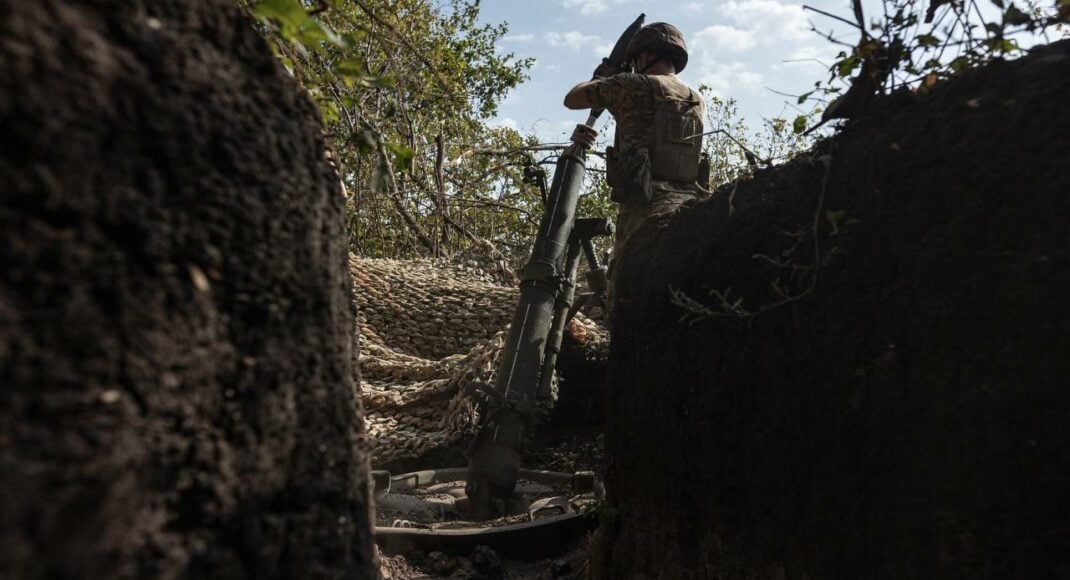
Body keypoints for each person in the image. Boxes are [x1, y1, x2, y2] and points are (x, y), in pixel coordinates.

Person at [563, 22, 706, 261]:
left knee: (625, 288)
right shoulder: (697, 98)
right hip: (690, 205)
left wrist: (603, 75)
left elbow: (572, 99)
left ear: (646, 55)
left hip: (645, 208)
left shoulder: (631, 85)